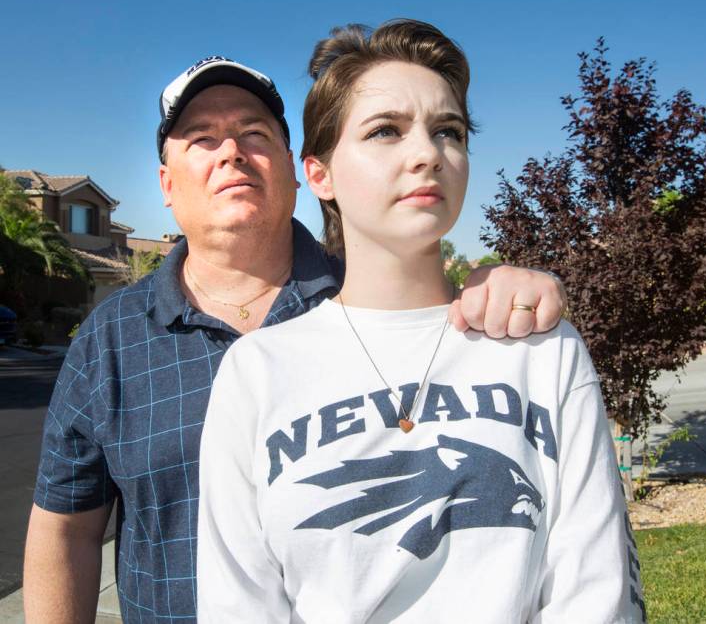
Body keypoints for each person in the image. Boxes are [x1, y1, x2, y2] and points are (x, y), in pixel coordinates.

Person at [22, 54, 568, 623]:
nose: (231, 152)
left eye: (253, 134)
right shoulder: (110, 338)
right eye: (202, 140)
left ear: (294, 167)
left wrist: (505, 289)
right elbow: (66, 533)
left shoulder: (371, 299)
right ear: (166, 183)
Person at [197, 20, 645, 623]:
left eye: (449, 132)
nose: (427, 154)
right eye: (385, 131)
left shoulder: (540, 346)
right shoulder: (257, 371)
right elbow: (238, 603)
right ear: (319, 174)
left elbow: (596, 594)